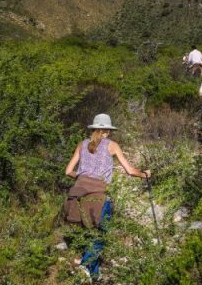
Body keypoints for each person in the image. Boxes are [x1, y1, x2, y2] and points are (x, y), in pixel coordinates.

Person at [64, 113, 150, 279]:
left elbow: (68, 171)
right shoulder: (112, 145)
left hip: (77, 196)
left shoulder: (82, 145)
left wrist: (84, 178)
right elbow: (130, 171)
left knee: (90, 234)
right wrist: (145, 174)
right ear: (108, 131)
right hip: (99, 198)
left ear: (94, 128)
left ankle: (94, 274)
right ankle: (85, 267)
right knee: (101, 235)